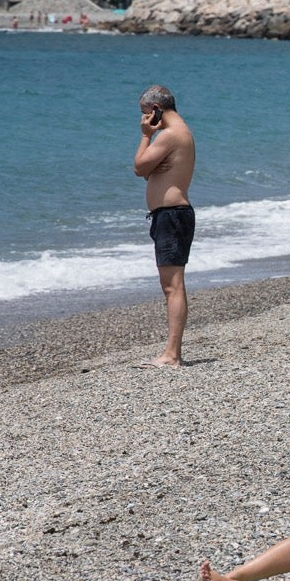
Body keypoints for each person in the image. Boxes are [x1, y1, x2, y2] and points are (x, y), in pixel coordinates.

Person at [133, 85, 196, 368]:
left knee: (172, 286)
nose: (144, 120)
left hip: (172, 216)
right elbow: (149, 171)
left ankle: (172, 354)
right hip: (170, 216)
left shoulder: (169, 134)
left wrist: (146, 136)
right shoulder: (178, 134)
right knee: (171, 284)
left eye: (146, 114)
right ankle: (172, 352)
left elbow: (139, 167)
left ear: (157, 110)